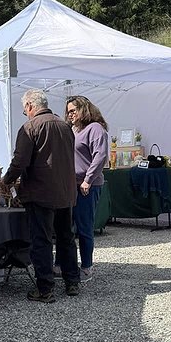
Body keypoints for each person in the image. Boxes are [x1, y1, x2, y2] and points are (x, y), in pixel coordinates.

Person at [0, 90, 80, 301]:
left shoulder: (30, 127)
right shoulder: (65, 126)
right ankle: (72, 282)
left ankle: (45, 289)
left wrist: (6, 180)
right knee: (66, 238)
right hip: (65, 192)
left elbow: (20, 162)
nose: (25, 113)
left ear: (29, 106)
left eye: (24, 109)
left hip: (41, 193)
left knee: (41, 241)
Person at [65, 96, 109, 280]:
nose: (70, 114)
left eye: (73, 111)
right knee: (66, 228)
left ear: (84, 110)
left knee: (84, 227)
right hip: (71, 185)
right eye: (68, 111)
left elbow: (100, 156)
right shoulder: (72, 130)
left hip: (86, 186)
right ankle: (63, 265)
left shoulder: (95, 129)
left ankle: (87, 267)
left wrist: (88, 180)